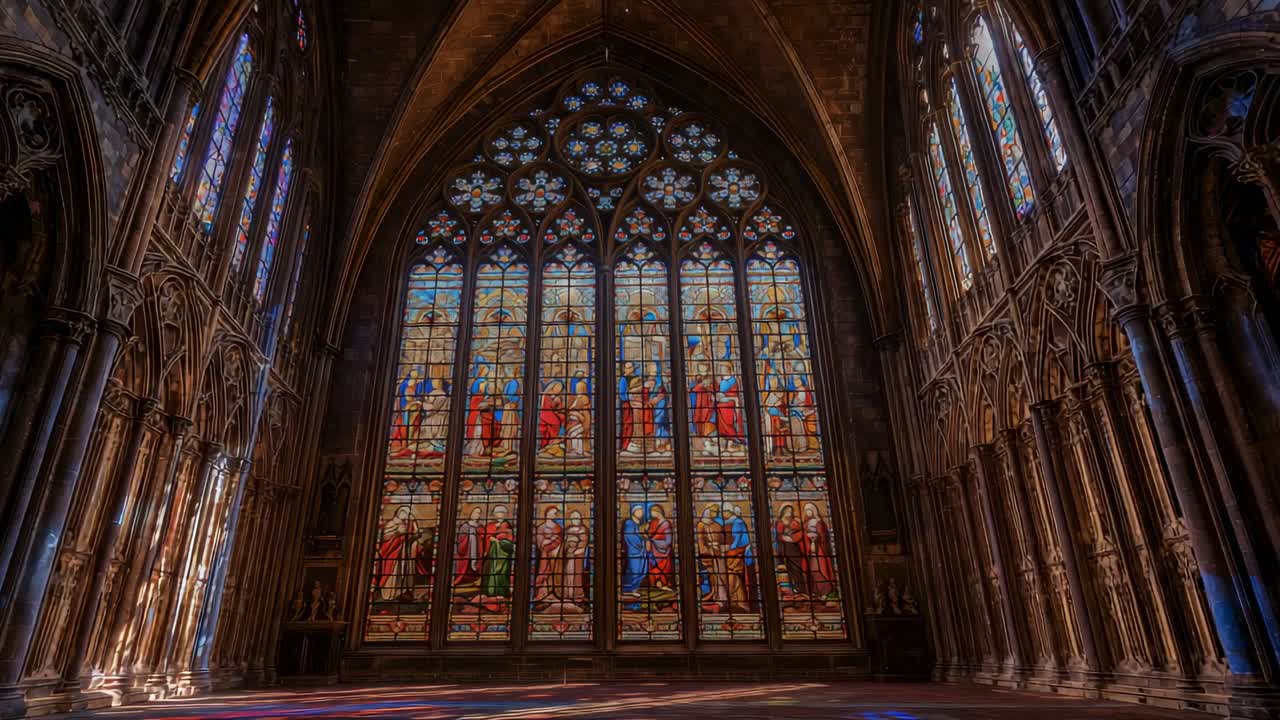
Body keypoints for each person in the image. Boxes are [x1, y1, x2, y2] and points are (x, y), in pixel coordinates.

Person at [375, 506, 423, 601]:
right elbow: (385, 536)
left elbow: (415, 534)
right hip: (394, 553)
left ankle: (404, 592)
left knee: (406, 572)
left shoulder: (409, 524)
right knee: (393, 573)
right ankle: (390, 594)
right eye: (405, 517)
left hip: (406, 552)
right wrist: (398, 533)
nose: (406, 520)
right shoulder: (392, 523)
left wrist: (413, 533)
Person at [696, 506, 728, 609]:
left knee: (722, 576)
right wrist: (708, 551)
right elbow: (700, 542)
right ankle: (713, 596)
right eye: (713, 511)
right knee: (711, 576)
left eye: (717, 511)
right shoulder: (701, 525)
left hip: (719, 555)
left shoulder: (717, 525)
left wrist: (721, 549)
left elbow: (723, 540)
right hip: (707, 556)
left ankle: (721, 598)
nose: (715, 513)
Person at [722, 505, 754, 610]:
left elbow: (737, 538)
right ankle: (737, 600)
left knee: (733, 574)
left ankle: (735, 600)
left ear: (729, 512)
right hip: (736, 552)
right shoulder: (732, 522)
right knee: (734, 575)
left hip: (738, 552)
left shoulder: (737, 522)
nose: (723, 514)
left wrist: (728, 549)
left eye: (724, 511)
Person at [774, 504, 808, 597]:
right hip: (784, 549)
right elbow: (778, 535)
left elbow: (800, 533)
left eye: (790, 510)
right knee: (787, 570)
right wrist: (783, 537)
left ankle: (800, 590)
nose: (789, 512)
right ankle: (790, 590)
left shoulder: (795, 521)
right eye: (787, 510)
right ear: (783, 511)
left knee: (797, 570)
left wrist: (792, 538)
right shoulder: (779, 522)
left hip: (794, 550)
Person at [803, 503, 836, 598]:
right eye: (806, 510)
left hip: (819, 550)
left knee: (821, 570)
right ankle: (816, 591)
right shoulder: (805, 523)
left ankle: (825, 591)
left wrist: (816, 538)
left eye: (809, 510)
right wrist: (807, 537)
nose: (807, 512)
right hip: (809, 550)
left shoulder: (819, 522)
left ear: (814, 510)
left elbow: (823, 536)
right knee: (812, 571)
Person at [481, 506, 515, 598]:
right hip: (491, 553)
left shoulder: (508, 526)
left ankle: (501, 592)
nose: (500, 514)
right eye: (498, 513)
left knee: (502, 571)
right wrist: (491, 538)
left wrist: (501, 541)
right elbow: (486, 536)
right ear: (495, 515)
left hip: (503, 553)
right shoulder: (490, 526)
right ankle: (487, 592)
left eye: (502, 512)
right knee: (487, 570)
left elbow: (511, 539)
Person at [532, 507, 564, 603]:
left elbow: (561, 540)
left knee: (555, 573)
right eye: (551, 513)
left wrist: (552, 543)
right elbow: (539, 543)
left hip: (557, 554)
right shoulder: (541, 527)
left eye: (554, 513)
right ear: (546, 513)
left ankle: (556, 593)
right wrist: (547, 543)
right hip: (545, 555)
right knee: (545, 572)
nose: (553, 515)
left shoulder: (558, 527)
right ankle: (544, 593)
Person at [452, 506, 483, 588]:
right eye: (476, 512)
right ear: (471, 514)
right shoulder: (465, 526)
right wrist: (469, 536)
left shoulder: (480, 526)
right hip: (466, 550)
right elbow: (461, 538)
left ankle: (474, 578)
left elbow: (482, 538)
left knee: (477, 563)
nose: (478, 515)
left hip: (477, 550)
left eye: (479, 513)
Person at [621, 505, 649, 594]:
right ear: (633, 511)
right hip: (633, 552)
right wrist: (643, 538)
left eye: (642, 510)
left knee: (642, 572)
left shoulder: (638, 524)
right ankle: (628, 590)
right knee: (634, 572)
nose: (641, 512)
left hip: (641, 553)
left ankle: (634, 589)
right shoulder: (629, 523)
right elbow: (630, 538)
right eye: (639, 510)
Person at [563, 511, 589, 605]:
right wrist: (567, 550)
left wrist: (575, 551)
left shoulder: (583, 529)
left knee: (577, 576)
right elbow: (564, 542)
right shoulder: (567, 529)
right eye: (573, 518)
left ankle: (577, 595)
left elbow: (583, 543)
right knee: (567, 574)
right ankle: (567, 594)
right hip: (568, 556)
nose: (575, 520)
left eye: (577, 518)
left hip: (578, 556)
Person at [646, 505, 675, 590]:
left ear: (658, 512)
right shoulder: (654, 523)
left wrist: (653, 541)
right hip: (653, 552)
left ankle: (663, 584)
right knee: (653, 569)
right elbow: (649, 535)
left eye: (652, 511)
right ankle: (658, 585)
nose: (651, 513)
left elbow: (668, 541)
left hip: (663, 552)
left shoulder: (666, 524)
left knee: (663, 569)